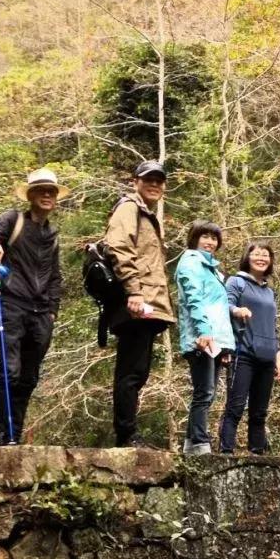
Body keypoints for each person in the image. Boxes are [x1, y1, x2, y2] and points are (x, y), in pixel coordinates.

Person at [0, 168, 67, 446]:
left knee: (28, 377)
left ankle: (13, 436)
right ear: (30, 195)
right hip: (11, 304)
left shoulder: (51, 233)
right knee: (9, 372)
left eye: (51, 191)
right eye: (41, 190)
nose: (47, 195)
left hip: (41, 313)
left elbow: (54, 275)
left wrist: (53, 310)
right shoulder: (13, 220)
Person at [104, 161, 176, 447]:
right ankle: (126, 435)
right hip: (136, 302)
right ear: (135, 181)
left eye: (159, 181)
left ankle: (128, 432)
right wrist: (134, 291)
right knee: (131, 371)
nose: (154, 185)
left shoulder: (144, 213)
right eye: (149, 180)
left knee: (138, 371)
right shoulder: (129, 208)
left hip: (147, 305)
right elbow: (119, 248)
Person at [218, 240, 280, 455]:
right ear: (247, 257)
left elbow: (272, 325)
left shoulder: (269, 291)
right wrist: (237, 311)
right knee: (236, 407)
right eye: (257, 254)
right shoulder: (236, 282)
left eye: (266, 254)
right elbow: (224, 306)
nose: (261, 258)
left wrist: (278, 356)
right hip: (243, 352)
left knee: (259, 412)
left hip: (267, 355)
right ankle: (226, 452)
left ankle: (257, 453)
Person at [176, 221, 235, 455]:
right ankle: (200, 442)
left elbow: (219, 310)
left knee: (208, 392)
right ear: (194, 239)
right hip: (201, 337)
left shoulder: (211, 269)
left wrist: (225, 346)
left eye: (214, 238)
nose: (210, 242)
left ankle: (192, 443)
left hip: (215, 339)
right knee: (204, 391)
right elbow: (194, 300)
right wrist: (203, 331)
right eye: (205, 237)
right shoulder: (191, 262)